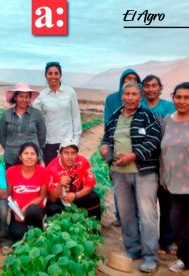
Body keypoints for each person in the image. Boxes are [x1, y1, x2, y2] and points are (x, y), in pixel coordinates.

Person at [100, 82, 161, 273]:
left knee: (147, 216)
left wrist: (133, 155)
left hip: (144, 173)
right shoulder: (115, 117)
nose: (130, 97)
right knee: (126, 215)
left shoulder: (147, 115)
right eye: (127, 94)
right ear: (122, 96)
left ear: (140, 96)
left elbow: (154, 139)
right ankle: (133, 249)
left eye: (134, 94)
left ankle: (150, 256)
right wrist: (105, 149)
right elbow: (106, 139)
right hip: (120, 174)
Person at [141, 75, 176, 254]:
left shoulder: (169, 108)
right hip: (144, 162)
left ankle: (167, 240)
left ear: (160, 88)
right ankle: (147, 240)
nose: (150, 89)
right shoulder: (139, 107)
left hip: (166, 161)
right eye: (146, 86)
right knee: (146, 205)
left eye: (154, 86)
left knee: (166, 202)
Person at [104, 69, 141, 227]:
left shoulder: (140, 99)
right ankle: (120, 216)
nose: (130, 81)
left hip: (134, 148)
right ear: (122, 81)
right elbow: (107, 120)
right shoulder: (112, 98)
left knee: (135, 184)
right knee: (118, 182)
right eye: (127, 78)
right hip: (115, 145)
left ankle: (136, 217)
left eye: (134, 79)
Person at [160, 83, 189, 273]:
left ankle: (186, 260)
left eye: (187, 98)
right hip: (173, 184)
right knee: (176, 224)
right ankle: (184, 258)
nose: (182, 101)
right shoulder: (167, 121)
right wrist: (163, 176)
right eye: (178, 97)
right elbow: (162, 151)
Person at [33, 62, 82, 166]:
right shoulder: (41, 96)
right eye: (50, 73)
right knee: (51, 176)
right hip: (49, 143)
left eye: (56, 73)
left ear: (60, 75)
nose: (53, 76)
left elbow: (76, 117)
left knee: (68, 177)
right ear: (45, 76)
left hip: (68, 143)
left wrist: (76, 141)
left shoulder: (70, 92)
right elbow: (35, 118)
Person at [46, 139, 101, 221]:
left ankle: (93, 227)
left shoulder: (83, 161)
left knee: (93, 198)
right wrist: (60, 185)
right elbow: (52, 198)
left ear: (77, 154)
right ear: (60, 154)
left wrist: (76, 195)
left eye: (73, 153)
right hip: (60, 199)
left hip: (77, 195)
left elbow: (90, 185)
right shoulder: (51, 168)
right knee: (52, 208)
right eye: (66, 153)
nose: (70, 157)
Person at [6, 142, 49, 242]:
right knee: (17, 235)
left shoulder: (43, 172)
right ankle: (24, 228)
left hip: (35, 210)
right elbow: (10, 196)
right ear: (20, 157)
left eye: (32, 154)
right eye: (26, 153)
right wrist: (15, 211)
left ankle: (38, 227)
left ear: (37, 157)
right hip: (18, 212)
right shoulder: (11, 171)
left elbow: (41, 197)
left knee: (33, 210)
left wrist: (26, 208)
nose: (29, 157)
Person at [0, 83, 46, 169]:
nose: (24, 99)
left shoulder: (37, 114)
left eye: (27, 96)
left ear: (29, 98)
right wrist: (10, 147)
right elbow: (2, 136)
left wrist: (35, 149)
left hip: (31, 159)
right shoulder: (6, 114)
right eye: (21, 96)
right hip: (11, 158)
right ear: (15, 97)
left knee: (32, 182)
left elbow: (42, 136)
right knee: (12, 182)